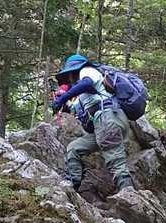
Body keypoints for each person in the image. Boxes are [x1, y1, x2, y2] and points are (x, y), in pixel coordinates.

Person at [50, 53, 134, 196]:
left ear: (73, 71)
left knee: (115, 160)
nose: (69, 80)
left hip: (108, 117)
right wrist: (61, 103)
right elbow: (73, 109)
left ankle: (130, 197)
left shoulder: (87, 71)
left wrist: (63, 97)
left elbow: (86, 83)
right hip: (104, 124)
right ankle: (71, 187)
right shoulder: (84, 96)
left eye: (69, 75)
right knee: (74, 149)